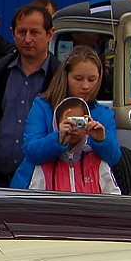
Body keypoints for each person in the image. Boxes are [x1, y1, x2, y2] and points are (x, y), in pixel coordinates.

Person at [0, 2, 56, 187]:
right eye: (21, 32)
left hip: (42, 181)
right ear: (12, 32)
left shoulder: (61, 77)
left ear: (49, 34)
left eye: (35, 32)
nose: (27, 39)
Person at [14, 45, 120, 188]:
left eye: (92, 79)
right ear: (65, 76)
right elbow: (31, 151)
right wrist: (58, 139)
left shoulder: (104, 114)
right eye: (78, 78)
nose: (86, 86)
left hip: (87, 192)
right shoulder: (43, 106)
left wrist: (101, 139)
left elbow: (114, 158)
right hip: (39, 188)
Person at [26, 97, 119, 193]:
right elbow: (34, 203)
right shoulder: (44, 166)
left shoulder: (97, 163)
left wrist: (101, 138)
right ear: (57, 124)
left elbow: (114, 199)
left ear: (87, 122)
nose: (74, 129)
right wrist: (59, 138)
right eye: (68, 122)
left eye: (79, 123)